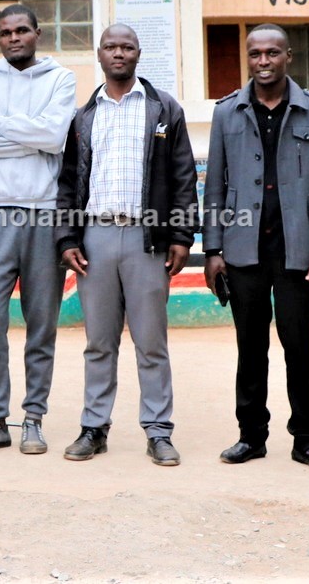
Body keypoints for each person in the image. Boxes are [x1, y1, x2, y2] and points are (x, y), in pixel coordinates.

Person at [54, 25, 197, 466]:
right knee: (99, 341)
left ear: (138, 54)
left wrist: (181, 235)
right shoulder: (85, 116)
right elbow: (66, 183)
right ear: (99, 54)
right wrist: (67, 238)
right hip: (95, 238)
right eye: (111, 47)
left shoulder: (162, 109)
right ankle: (93, 428)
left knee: (151, 341)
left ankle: (158, 431)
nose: (119, 53)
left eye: (127, 47)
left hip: (145, 238)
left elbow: (183, 176)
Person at [202, 24, 309, 473]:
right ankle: (251, 437)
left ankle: (306, 439)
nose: (263, 61)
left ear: (288, 57)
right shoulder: (228, 112)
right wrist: (213, 249)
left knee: (299, 345)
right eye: (256, 54)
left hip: (297, 247)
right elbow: (216, 188)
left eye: (272, 53)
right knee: (250, 346)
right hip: (243, 249)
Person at [0, 4, 76, 455]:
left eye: (21, 30)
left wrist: (0, 126)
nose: (13, 38)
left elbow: (55, 137)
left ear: (37, 34)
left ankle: (33, 418)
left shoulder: (60, 79)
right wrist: (30, 135)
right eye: (5, 32)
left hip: (44, 215)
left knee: (41, 322)